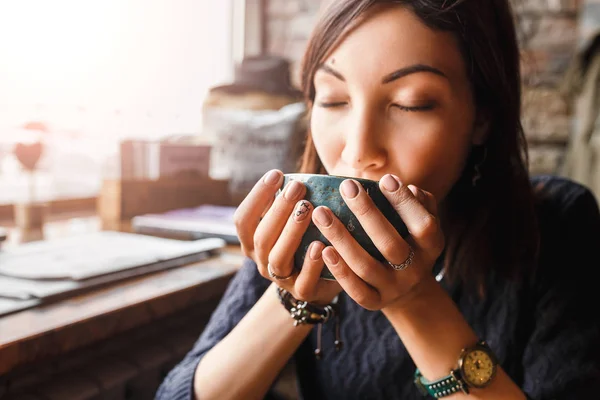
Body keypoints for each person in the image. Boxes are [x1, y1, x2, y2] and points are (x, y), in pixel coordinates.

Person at [156, 1, 600, 399]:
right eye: (333, 100)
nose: (358, 148)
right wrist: (298, 298)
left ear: (481, 116)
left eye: (412, 103)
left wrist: (412, 301)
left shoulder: (557, 226)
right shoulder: (302, 223)